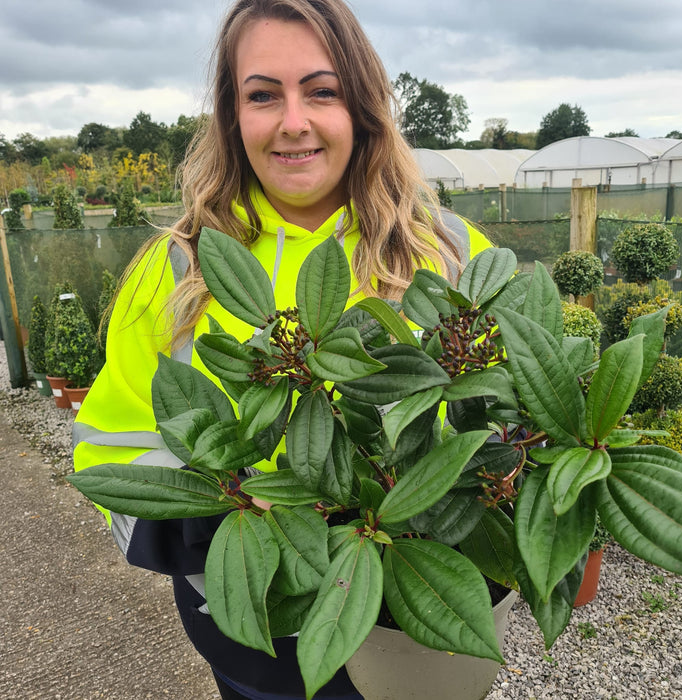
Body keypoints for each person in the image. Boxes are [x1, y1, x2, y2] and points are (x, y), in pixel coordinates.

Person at [72, 0, 492, 698]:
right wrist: (232, 518)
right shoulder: (180, 270)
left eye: (321, 91)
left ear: (361, 107)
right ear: (232, 119)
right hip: (257, 638)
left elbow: (506, 420)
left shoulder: (447, 250)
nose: (293, 121)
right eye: (263, 95)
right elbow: (110, 451)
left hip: (415, 629)